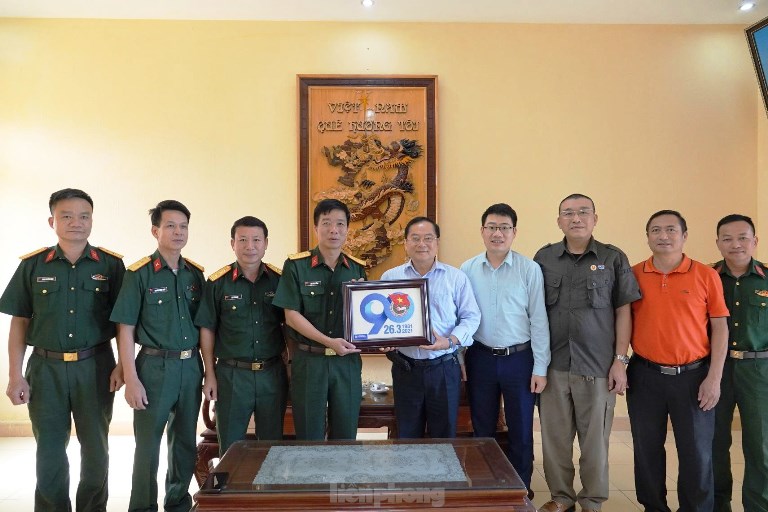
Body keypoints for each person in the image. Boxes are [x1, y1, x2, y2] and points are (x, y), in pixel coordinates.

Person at [0, 188, 124, 512]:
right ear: (51, 221)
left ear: (92, 220)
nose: (76, 222)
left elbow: (124, 323)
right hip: (46, 369)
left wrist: (123, 365)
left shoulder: (111, 265)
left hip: (95, 366)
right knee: (50, 451)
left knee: (96, 449)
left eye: (84, 216)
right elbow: (19, 322)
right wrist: (15, 376)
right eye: (66, 216)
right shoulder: (33, 265)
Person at [533, 193, 640, 512]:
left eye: (583, 212)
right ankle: (561, 497)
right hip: (553, 366)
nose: (576, 218)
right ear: (559, 221)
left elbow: (624, 311)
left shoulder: (613, 257)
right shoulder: (544, 258)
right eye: (568, 213)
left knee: (595, 443)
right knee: (554, 441)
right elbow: (533, 311)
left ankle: (592, 500)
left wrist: (620, 361)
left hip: (597, 366)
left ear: (595, 218)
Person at [628, 209, 728, 512]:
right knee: (646, 450)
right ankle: (653, 507)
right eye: (656, 230)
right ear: (647, 237)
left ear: (684, 236)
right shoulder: (633, 274)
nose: (663, 236)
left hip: (694, 376)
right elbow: (621, 321)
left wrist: (714, 378)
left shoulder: (706, 275)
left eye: (671, 230)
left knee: (696, 452)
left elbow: (720, 327)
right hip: (644, 374)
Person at [110, 200, 206, 512]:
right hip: (153, 367)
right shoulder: (139, 274)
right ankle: (142, 506)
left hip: (190, 367)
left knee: (184, 442)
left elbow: (206, 327)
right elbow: (125, 328)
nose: (178, 232)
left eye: (183, 226)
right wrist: (131, 378)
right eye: (170, 226)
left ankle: (177, 503)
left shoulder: (195, 275)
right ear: (155, 231)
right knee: (148, 446)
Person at [460, 203, 550, 493]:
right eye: (491, 227)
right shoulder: (467, 269)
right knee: (482, 429)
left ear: (514, 232)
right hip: (480, 357)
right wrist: (460, 360)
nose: (497, 233)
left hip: (519, 360)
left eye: (504, 228)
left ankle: (520, 489)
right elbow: (460, 318)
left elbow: (539, 320)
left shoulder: (529, 269)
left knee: (520, 429)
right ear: (482, 231)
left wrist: (540, 368)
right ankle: (485, 487)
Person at [272, 199, 366, 440]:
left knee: (345, 436)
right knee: (309, 436)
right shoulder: (296, 266)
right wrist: (329, 342)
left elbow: (365, 319)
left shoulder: (356, 269)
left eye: (340, 224)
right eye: (326, 223)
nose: (333, 230)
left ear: (347, 229)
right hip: (309, 361)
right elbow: (291, 316)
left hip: (346, 363)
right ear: (316, 228)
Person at [194, 216, 287, 456]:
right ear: (232, 244)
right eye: (243, 240)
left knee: (272, 448)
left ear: (266, 243)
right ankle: (230, 483)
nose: (250, 246)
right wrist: (209, 374)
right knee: (231, 449)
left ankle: (267, 483)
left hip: (271, 374)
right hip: (232, 375)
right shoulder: (218, 283)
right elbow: (207, 329)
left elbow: (290, 325)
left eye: (256, 240)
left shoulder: (280, 281)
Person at [381, 216, 480, 438]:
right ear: (405, 243)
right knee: (407, 436)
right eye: (415, 238)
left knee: (443, 438)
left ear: (437, 243)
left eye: (428, 238)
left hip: (443, 368)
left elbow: (471, 317)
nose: (422, 244)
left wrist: (450, 341)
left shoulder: (455, 277)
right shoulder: (390, 277)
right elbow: (383, 319)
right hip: (406, 368)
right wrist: (383, 339)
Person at [711, 214, 768, 511]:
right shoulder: (706, 277)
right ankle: (718, 505)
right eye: (728, 238)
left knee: (761, 446)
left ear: (754, 241)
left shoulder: (766, 278)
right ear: (718, 243)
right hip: (714, 371)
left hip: (759, 371)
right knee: (714, 444)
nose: (736, 244)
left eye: (743, 238)